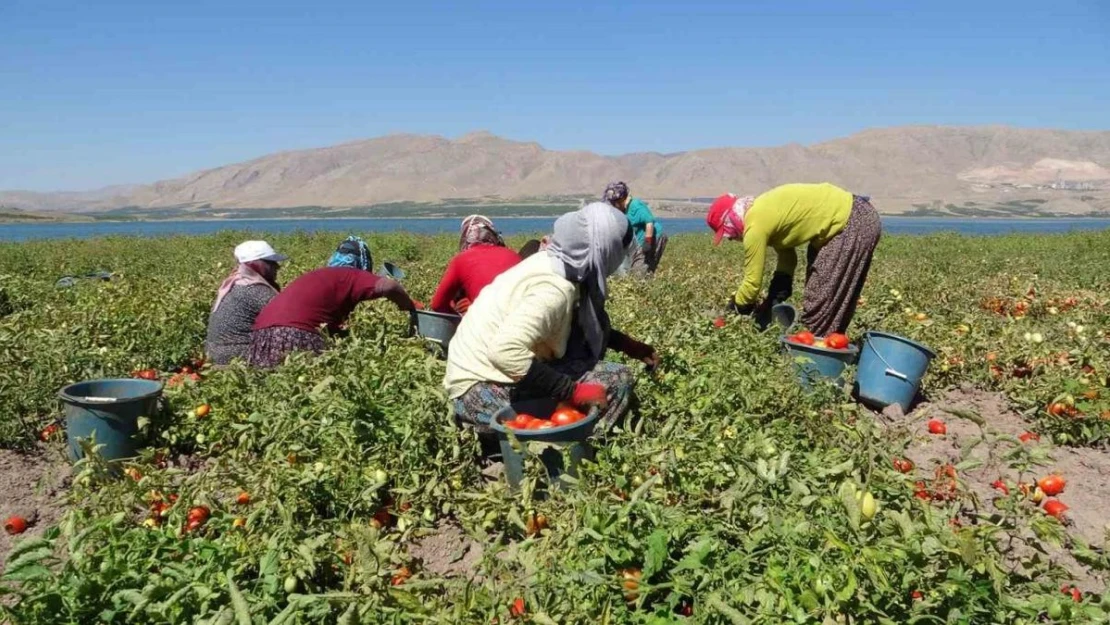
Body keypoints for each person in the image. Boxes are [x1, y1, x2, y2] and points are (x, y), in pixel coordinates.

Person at [444, 203, 659, 439]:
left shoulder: (554, 261)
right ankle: (581, 448)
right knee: (617, 379)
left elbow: (576, 327)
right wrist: (572, 391)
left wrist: (627, 345)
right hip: (478, 394)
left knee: (582, 358)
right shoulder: (554, 287)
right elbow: (504, 352)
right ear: (605, 249)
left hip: (477, 377)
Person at [705, 183, 882, 336]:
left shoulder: (755, 224)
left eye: (727, 234)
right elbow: (787, 258)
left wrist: (734, 309)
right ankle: (829, 348)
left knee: (820, 303)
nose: (732, 239)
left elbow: (752, 284)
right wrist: (776, 294)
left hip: (851, 221)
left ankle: (814, 362)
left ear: (730, 220)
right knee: (828, 299)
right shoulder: (763, 211)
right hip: (856, 216)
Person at [248, 236, 416, 367]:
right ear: (362, 262)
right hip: (295, 335)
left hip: (261, 339)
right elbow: (390, 286)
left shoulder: (320, 275)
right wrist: (408, 306)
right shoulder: (350, 275)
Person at [205, 240, 288, 365]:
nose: (277, 266)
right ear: (255, 265)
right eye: (270, 263)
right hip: (237, 356)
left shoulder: (235, 283)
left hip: (215, 354)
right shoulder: (255, 290)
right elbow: (288, 319)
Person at [430, 216, 521, 315]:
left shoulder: (461, 259)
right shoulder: (514, 255)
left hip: (489, 324)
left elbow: (437, 305)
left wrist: (461, 315)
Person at [603, 182, 667, 275]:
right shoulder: (623, 211)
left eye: (613, 202)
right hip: (640, 242)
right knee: (637, 269)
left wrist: (648, 242)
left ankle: (644, 285)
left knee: (641, 270)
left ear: (619, 200)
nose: (612, 205)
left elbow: (649, 222)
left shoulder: (635, 205)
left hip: (654, 238)